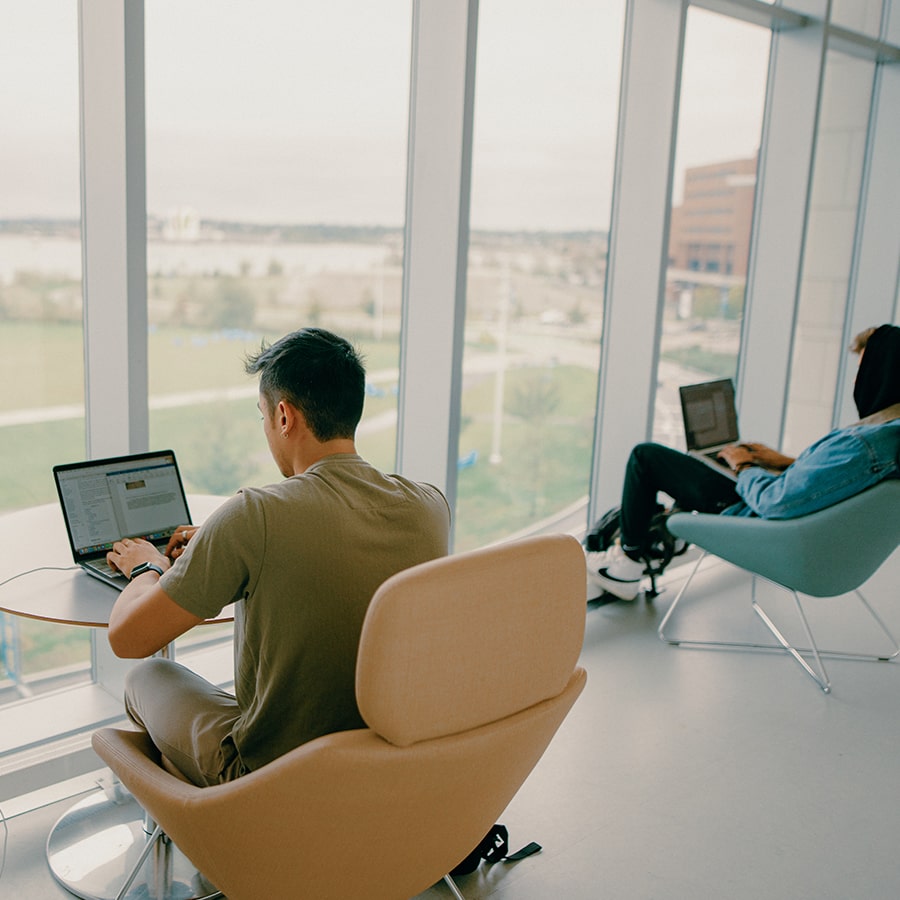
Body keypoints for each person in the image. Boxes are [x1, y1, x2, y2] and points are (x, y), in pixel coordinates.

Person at [105, 328, 451, 786]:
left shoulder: (254, 517)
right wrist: (221, 540)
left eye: (263, 415)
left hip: (274, 781)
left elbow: (128, 640)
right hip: (389, 762)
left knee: (147, 676)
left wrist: (147, 567)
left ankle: (205, 824)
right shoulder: (429, 505)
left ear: (284, 416)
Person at [589, 323, 900, 601]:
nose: (858, 380)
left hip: (759, 521)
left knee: (646, 458)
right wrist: (783, 462)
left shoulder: (863, 444)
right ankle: (644, 547)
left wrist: (744, 466)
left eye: (863, 368)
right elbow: (840, 482)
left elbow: (774, 502)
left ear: (883, 372)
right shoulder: (890, 437)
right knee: (695, 467)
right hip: (816, 537)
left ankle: (627, 564)